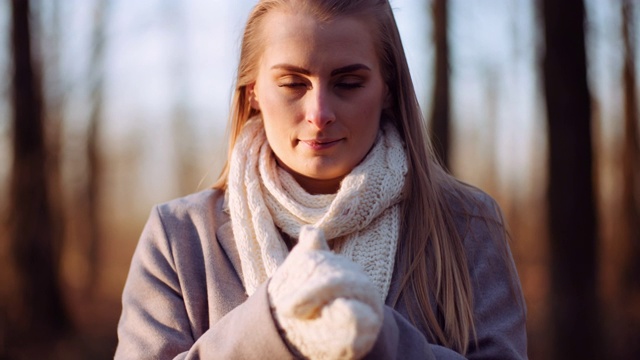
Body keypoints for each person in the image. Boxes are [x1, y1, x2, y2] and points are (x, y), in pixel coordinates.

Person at [114, 0, 527, 359]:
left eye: (348, 83)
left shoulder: (467, 223)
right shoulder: (178, 237)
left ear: (388, 88)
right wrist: (275, 321)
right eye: (293, 83)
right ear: (253, 89)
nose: (319, 112)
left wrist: (376, 336)